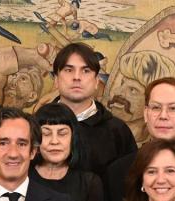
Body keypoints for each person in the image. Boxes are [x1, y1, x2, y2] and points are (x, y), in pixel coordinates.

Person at [51, 42, 137, 180]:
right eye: (69, 70)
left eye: (85, 71)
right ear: (56, 79)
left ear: (97, 81)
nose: (77, 77)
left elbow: (130, 183)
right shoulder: (36, 126)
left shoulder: (117, 131)